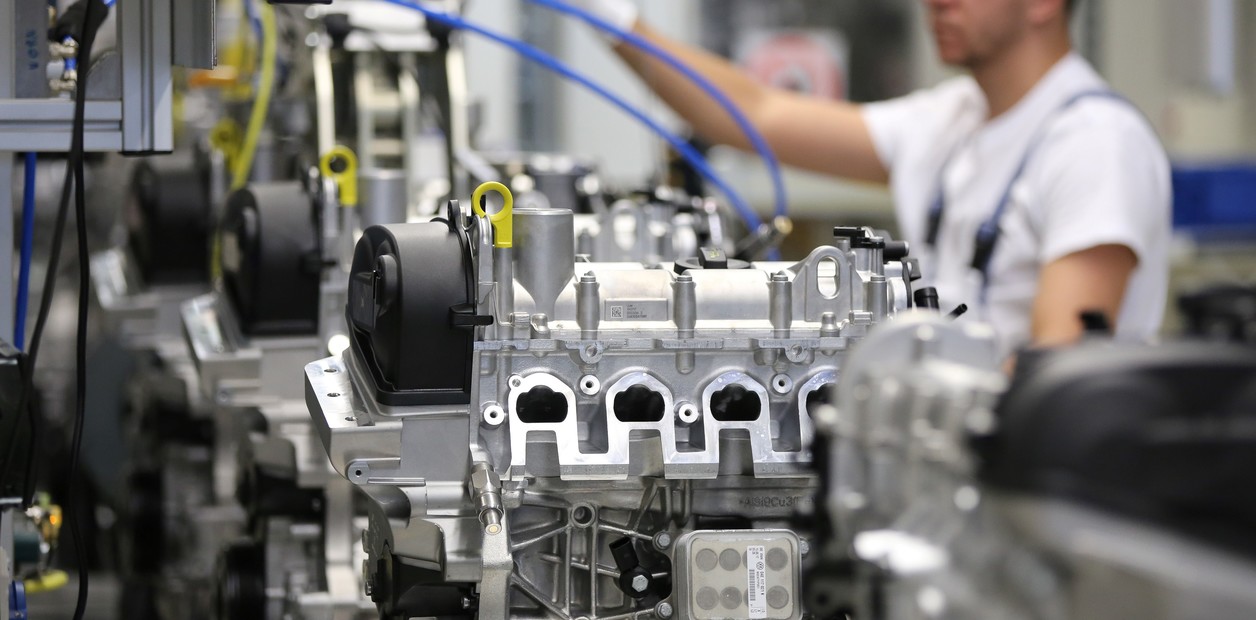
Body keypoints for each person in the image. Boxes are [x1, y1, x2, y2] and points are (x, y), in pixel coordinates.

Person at [570, 0, 1171, 359]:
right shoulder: (953, 120)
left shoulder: (1095, 143)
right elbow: (755, 113)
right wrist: (608, 16)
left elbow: (1057, 368)